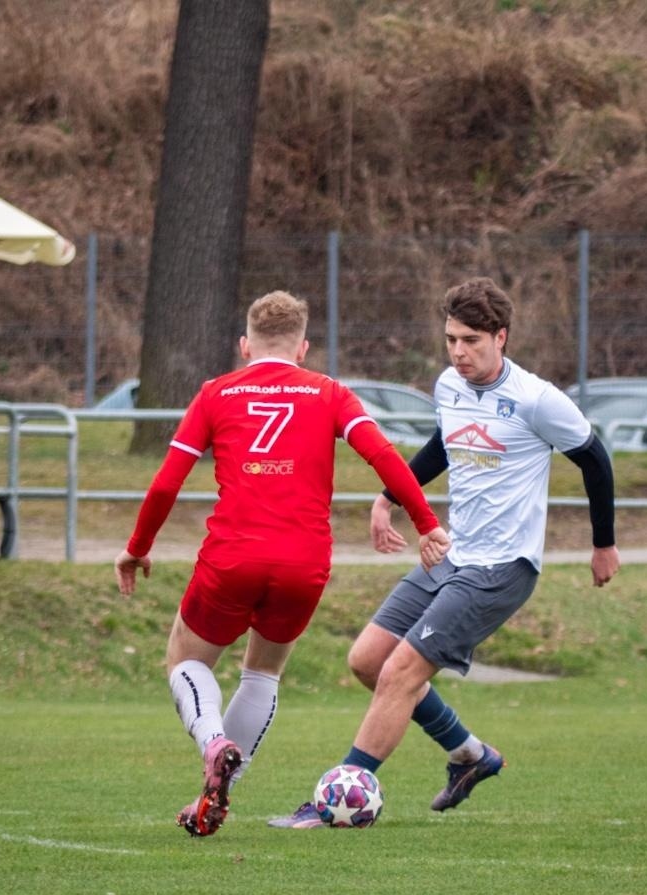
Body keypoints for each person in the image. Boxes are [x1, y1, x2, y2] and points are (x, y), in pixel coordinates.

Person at [269, 277, 620, 829]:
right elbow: (444, 446)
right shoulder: (449, 385)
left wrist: (603, 544)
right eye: (452, 339)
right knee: (368, 661)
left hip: (502, 567)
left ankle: (338, 798)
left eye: (471, 341)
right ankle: (470, 755)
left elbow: (595, 460)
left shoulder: (537, 400)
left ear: (500, 337)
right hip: (453, 555)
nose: (459, 351)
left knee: (400, 671)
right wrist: (389, 497)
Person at [114, 290, 450, 838]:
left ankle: (213, 744)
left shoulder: (216, 393)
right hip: (303, 563)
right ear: (303, 348)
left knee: (185, 661)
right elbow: (384, 455)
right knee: (262, 673)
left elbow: (167, 481)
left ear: (245, 346)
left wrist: (138, 545)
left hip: (233, 557)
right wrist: (426, 522)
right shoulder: (330, 393)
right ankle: (216, 792)